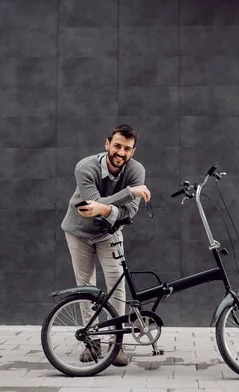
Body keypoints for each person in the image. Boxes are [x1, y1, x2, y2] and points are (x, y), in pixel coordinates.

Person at [60, 124, 151, 367]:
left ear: (133, 151)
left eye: (127, 149)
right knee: (86, 287)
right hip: (78, 232)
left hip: (110, 233)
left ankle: (117, 345)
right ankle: (92, 343)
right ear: (107, 144)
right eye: (117, 146)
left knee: (117, 285)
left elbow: (129, 212)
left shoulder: (136, 170)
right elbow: (90, 207)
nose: (121, 152)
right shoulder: (85, 167)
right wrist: (129, 192)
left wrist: (104, 208)